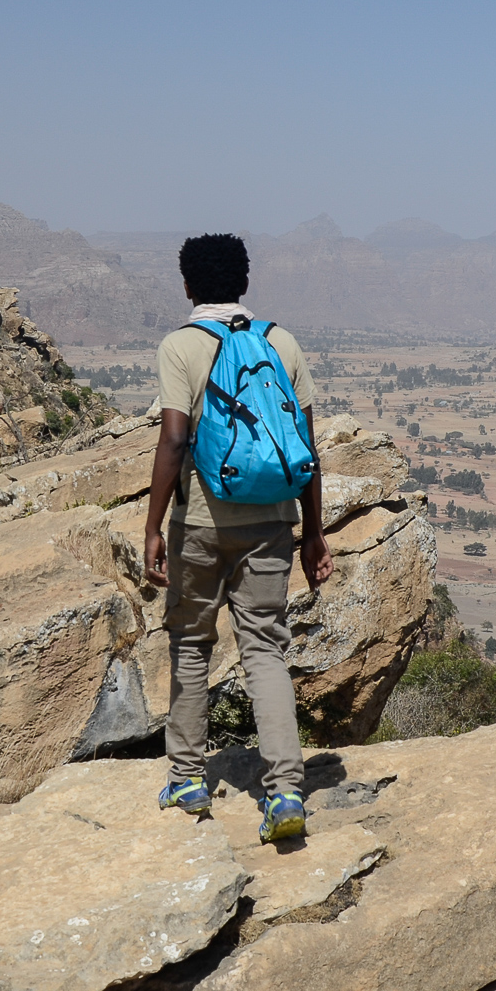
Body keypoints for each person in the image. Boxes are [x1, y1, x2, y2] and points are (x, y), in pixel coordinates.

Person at [143, 234, 333, 844]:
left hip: (199, 522)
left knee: (192, 643)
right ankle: (284, 793)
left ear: (189, 285)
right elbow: (306, 448)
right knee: (264, 651)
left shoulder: (181, 347)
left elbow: (174, 440)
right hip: (272, 521)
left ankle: (189, 779)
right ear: (244, 281)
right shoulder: (281, 341)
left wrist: (152, 526)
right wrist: (312, 534)